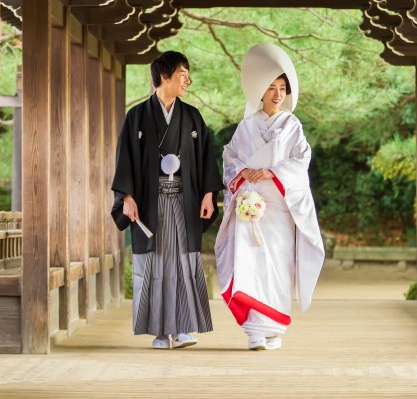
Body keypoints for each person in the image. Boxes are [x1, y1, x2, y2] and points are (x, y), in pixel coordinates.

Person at [215, 43, 325, 350]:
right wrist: (243, 175)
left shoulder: (293, 126)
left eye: (282, 88)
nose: (278, 94)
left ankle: (273, 329)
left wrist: (271, 173)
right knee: (250, 265)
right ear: (260, 91)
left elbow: (301, 161)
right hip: (251, 209)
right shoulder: (246, 126)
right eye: (271, 88)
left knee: (277, 266)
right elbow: (230, 158)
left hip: (279, 209)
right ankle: (254, 331)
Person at [111, 50, 222, 349]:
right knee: (156, 265)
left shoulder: (192, 116)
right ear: (164, 76)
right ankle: (160, 331)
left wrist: (209, 194)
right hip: (150, 203)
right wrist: (127, 197)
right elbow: (125, 160)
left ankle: (184, 328)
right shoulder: (137, 116)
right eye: (182, 74)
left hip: (184, 202)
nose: (188, 80)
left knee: (183, 262)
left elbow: (205, 159)